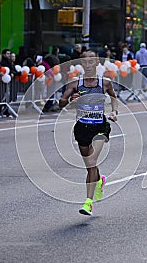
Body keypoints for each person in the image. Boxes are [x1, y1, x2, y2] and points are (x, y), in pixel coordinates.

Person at [59, 50, 118, 216]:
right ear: (81, 64)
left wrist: (114, 112)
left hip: (99, 126)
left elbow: (114, 97)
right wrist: (71, 101)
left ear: (97, 62)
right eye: (84, 61)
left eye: (91, 61)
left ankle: (88, 203)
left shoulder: (105, 83)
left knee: (92, 161)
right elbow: (60, 103)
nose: (88, 64)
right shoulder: (74, 84)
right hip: (82, 127)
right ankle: (99, 180)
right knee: (89, 166)